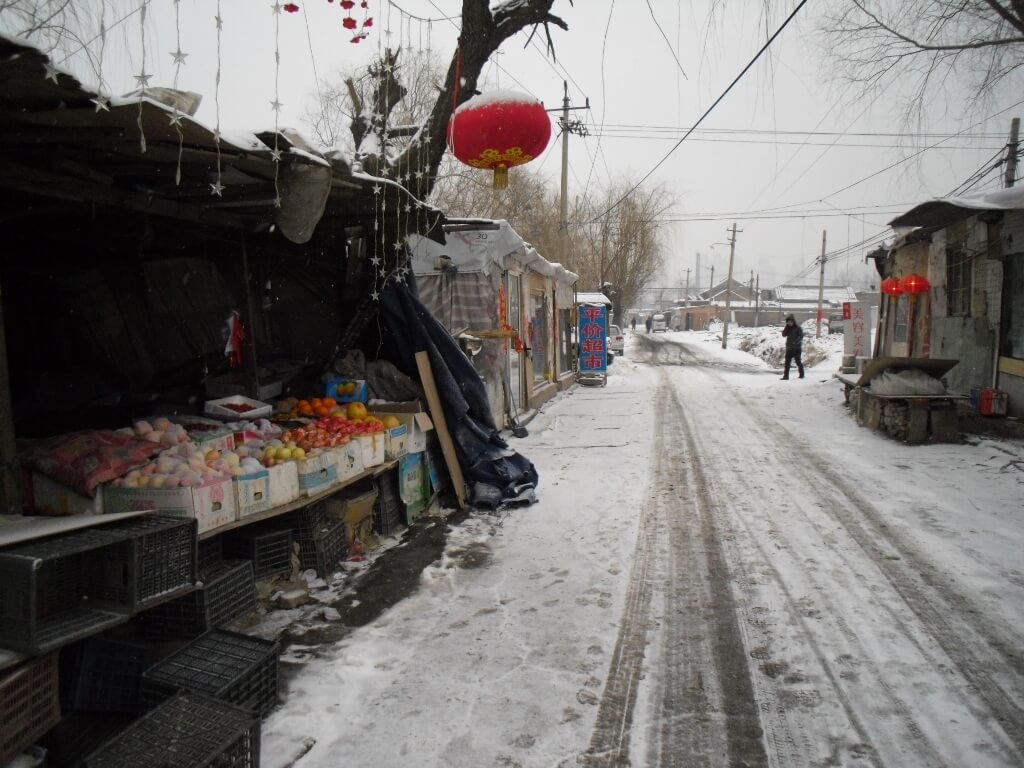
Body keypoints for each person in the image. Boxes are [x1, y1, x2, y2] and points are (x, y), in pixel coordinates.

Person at [781, 314, 804, 380]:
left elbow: (801, 337)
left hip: (796, 349)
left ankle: (801, 375)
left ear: (793, 321)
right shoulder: (788, 328)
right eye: (788, 322)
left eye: (790, 322)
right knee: (787, 363)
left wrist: (795, 342)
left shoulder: (798, 328)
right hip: (789, 348)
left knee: (798, 362)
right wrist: (786, 327)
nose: (789, 323)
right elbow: (783, 335)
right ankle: (786, 376)